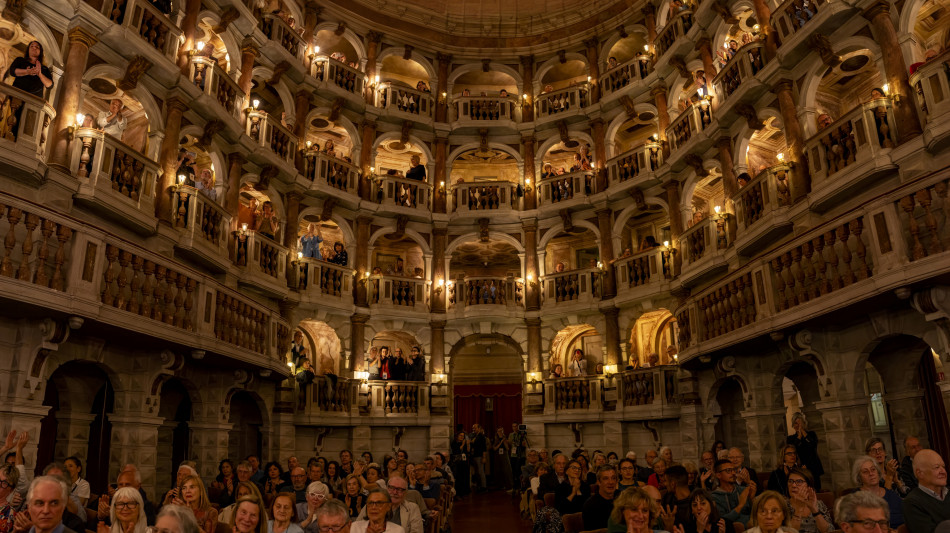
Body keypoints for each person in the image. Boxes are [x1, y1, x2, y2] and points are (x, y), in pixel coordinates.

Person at [902, 449, 950, 532]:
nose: (943, 471)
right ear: (920, 473)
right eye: (936, 467)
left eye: (943, 467)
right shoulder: (912, 503)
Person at [852, 455, 904, 529]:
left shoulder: (892, 496)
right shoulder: (855, 498)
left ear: (878, 472)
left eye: (873, 469)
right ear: (859, 477)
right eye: (865, 472)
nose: (871, 473)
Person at [784, 467, 832, 533]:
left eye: (799, 481)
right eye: (790, 481)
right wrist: (799, 510)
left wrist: (814, 510)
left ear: (808, 485)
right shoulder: (782, 505)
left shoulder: (819, 504)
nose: (793, 485)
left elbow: (828, 531)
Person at [710, 459, 755, 525]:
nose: (733, 473)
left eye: (734, 470)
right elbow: (722, 520)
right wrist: (741, 505)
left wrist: (752, 499)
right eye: (728, 470)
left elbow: (753, 514)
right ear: (719, 475)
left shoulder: (742, 490)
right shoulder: (715, 496)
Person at [786, 413, 823, 491]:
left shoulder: (811, 435)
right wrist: (799, 436)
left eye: (800, 423)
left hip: (813, 467)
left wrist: (803, 432)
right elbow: (794, 448)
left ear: (804, 423)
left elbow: (812, 445)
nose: (798, 425)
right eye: (796, 423)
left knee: (815, 489)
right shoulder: (790, 438)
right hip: (799, 468)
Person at [583, 465, 619, 530]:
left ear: (616, 481)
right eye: (606, 478)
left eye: (613, 478)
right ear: (598, 482)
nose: (611, 482)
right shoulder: (590, 505)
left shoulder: (622, 498)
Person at [660, 466, 692, 530]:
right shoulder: (667, 498)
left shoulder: (696, 503)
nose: (664, 484)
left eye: (665, 481)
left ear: (673, 484)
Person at [450, 432, 471, 498]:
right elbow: (457, 451)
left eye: (463, 436)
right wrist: (463, 444)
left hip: (464, 462)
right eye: (460, 435)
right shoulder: (454, 443)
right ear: (457, 436)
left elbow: (468, 451)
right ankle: (459, 492)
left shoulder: (464, 443)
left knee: (465, 476)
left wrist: (468, 444)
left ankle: (465, 491)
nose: (462, 437)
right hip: (457, 463)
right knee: (459, 477)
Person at [470, 424, 488, 492]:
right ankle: (479, 486)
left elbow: (484, 448)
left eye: (475, 428)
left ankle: (484, 487)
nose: (473, 429)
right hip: (475, 456)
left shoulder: (481, 436)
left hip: (479, 456)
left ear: (479, 428)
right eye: (473, 428)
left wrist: (484, 457)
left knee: (481, 472)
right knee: (477, 472)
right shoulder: (475, 436)